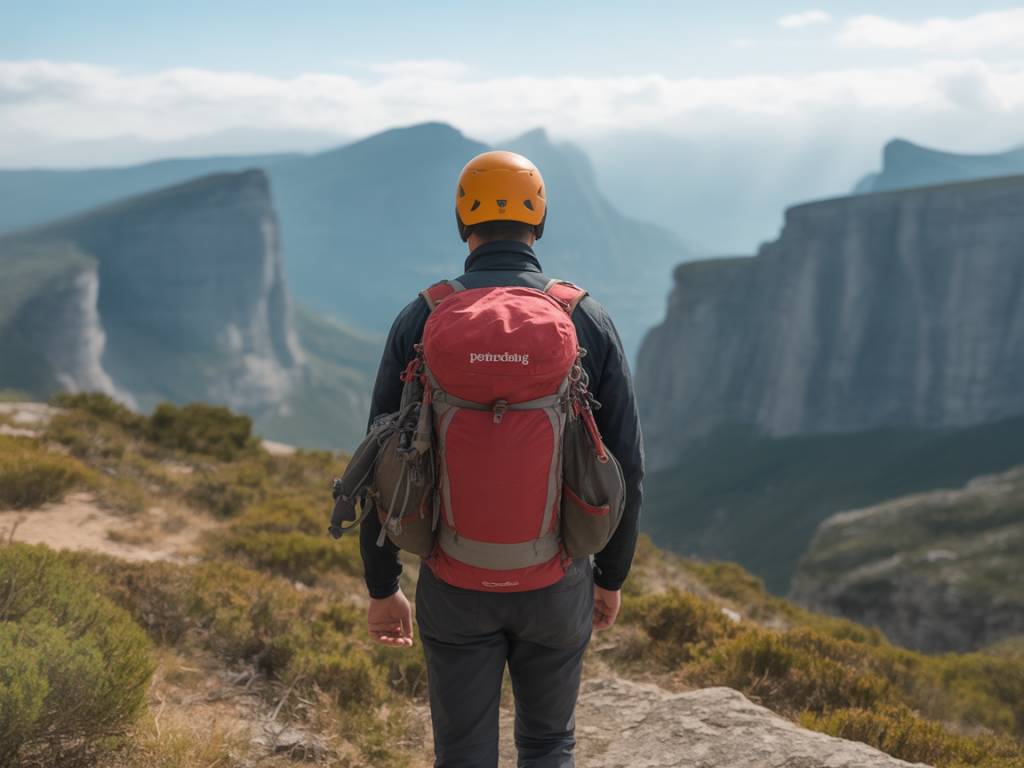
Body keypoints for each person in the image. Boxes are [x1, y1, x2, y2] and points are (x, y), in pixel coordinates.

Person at [360, 150, 644, 768]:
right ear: (538, 217)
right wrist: (611, 575)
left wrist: (383, 586)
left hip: (453, 578)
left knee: (462, 754)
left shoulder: (424, 315)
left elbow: (383, 463)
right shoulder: (584, 318)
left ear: (464, 218)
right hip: (557, 579)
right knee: (548, 745)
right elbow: (626, 465)